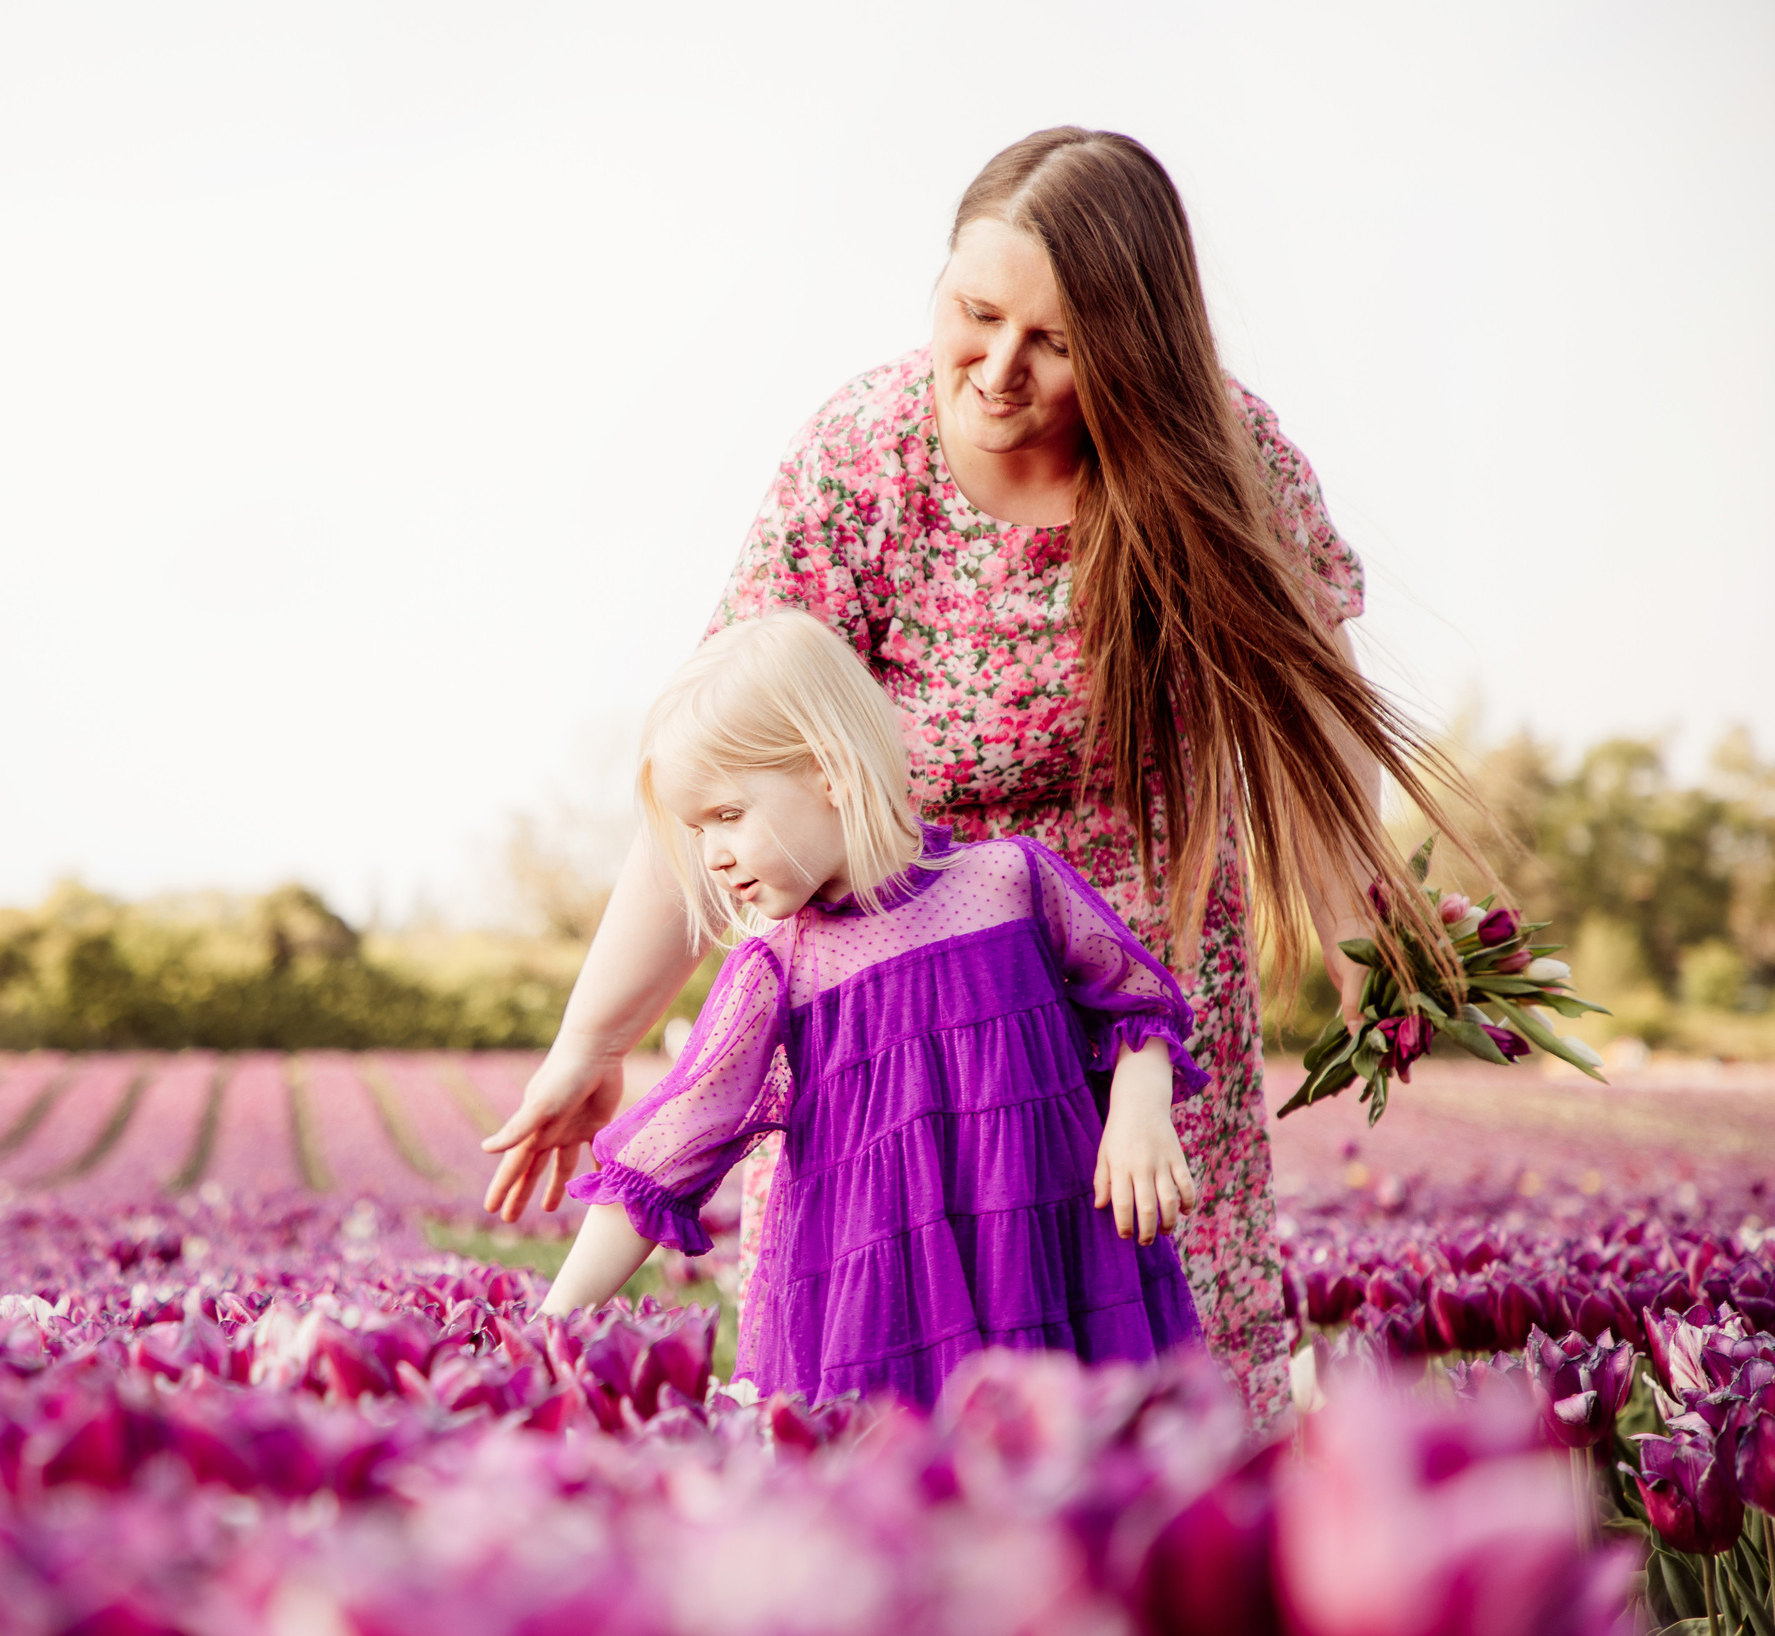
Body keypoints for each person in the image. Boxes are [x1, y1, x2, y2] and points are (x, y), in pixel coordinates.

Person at [484, 127, 1467, 1423]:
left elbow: (1311, 732)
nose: (999, 370)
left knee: (1152, 1415)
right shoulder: (863, 460)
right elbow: (723, 764)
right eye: (976, 314)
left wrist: (1364, 940)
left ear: (1138, 347)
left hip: (1123, 992)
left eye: (1055, 342)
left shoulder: (1224, 457)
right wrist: (592, 1039)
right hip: (879, 1020)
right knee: (886, 1399)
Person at [534, 612, 1206, 1407]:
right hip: (886, 1309)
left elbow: (1136, 1006)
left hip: (1049, 1265)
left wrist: (1138, 1109)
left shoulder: (1009, 884)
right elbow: (667, 1152)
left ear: (830, 770)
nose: (711, 854)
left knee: (1080, 1458)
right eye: (697, 828)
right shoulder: (781, 969)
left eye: (728, 814)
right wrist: (553, 1322)